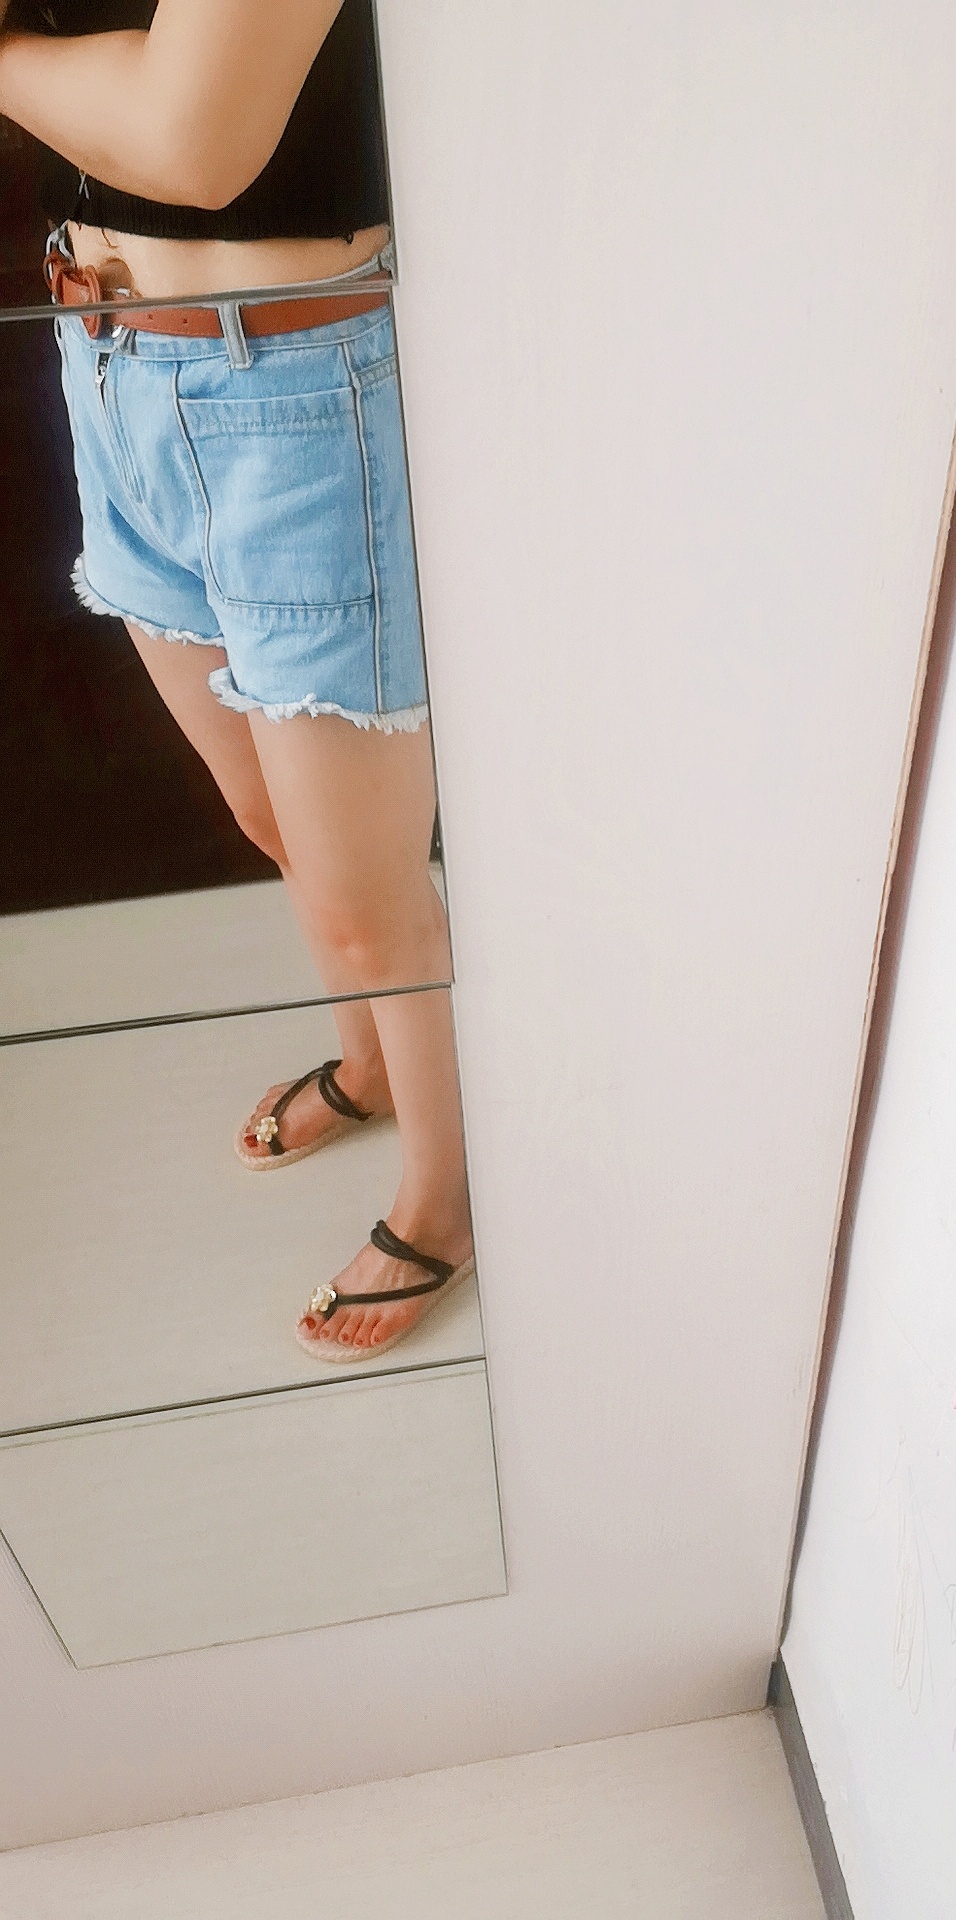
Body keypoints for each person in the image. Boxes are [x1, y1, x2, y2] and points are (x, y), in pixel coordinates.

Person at [0, 0, 475, 1361]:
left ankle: (447, 1199)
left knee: (365, 888)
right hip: (105, 351)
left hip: (289, 381)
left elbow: (193, 139)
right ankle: (374, 1063)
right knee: (271, 820)